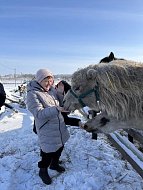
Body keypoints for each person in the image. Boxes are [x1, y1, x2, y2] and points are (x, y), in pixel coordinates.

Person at [26, 69, 70, 185]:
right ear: (39, 80)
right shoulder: (32, 94)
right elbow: (39, 113)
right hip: (47, 129)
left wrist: (60, 93)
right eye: (46, 80)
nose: (49, 83)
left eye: (51, 80)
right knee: (47, 152)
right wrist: (56, 109)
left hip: (59, 126)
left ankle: (54, 164)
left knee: (59, 147)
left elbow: (60, 104)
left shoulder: (52, 91)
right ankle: (43, 170)